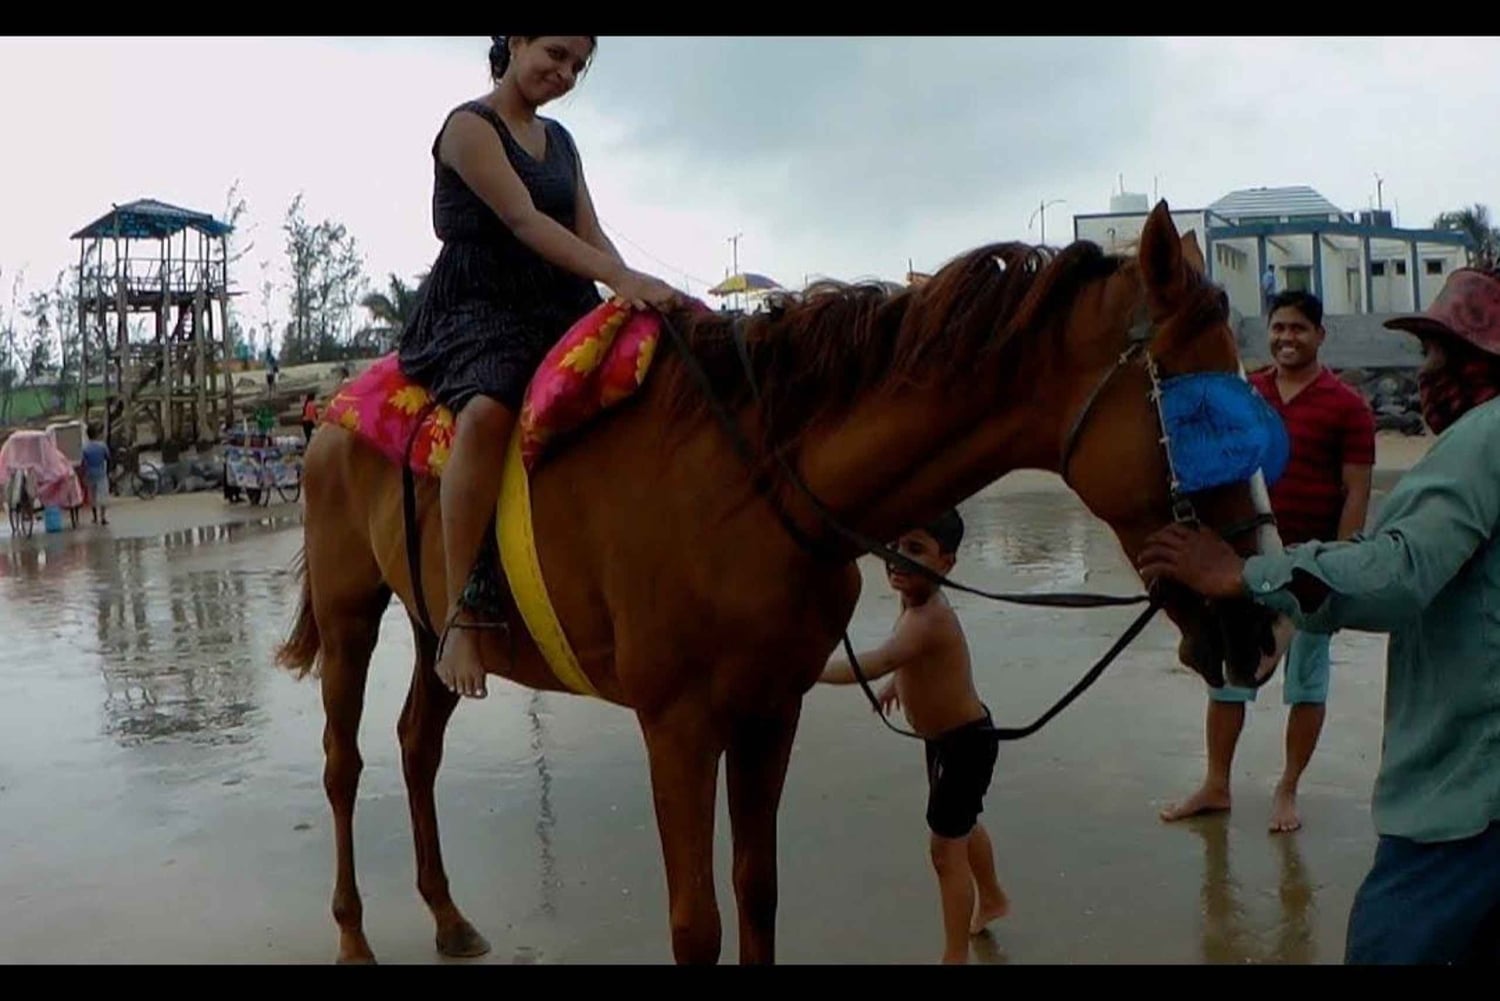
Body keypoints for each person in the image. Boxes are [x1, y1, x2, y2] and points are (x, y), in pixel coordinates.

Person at [1137, 266, 1500, 965]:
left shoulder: (1480, 434)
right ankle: (1219, 778)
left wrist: (1245, 572)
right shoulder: (1257, 393)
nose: (1425, 373)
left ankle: (1286, 785)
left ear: (1470, 359)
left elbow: (1396, 567)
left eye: (1433, 355)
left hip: (1464, 799)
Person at [397, 36, 681, 700]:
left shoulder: (562, 141)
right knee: (490, 409)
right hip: (480, 308)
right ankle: (462, 612)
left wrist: (638, 287)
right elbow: (523, 221)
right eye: (554, 53)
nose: (564, 72)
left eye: (577, 65)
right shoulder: (468, 128)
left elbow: (589, 232)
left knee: (650, 378)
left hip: (557, 299)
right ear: (516, 41)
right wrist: (615, 273)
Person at [1161, 291, 1375, 833]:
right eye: (1279, 328)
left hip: (1309, 562)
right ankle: (1217, 784)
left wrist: (1339, 561)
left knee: (1307, 682)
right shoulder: (1245, 393)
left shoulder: (1347, 406)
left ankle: (1287, 789)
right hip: (1245, 564)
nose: (1286, 338)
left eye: (1299, 329)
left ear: (1320, 335)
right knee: (1227, 678)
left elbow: (1355, 491)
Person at [817, 510, 1009, 964]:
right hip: (945, 741)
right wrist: (897, 684)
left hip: (966, 743)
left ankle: (954, 955)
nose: (897, 558)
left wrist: (811, 672)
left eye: (915, 549)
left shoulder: (930, 618)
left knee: (945, 849)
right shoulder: (912, 603)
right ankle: (995, 896)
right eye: (896, 545)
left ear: (947, 563)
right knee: (961, 824)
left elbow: (880, 658)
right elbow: (904, 660)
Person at [80, 423, 110, 526]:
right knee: (102, 495)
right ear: (97, 434)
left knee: (92, 495)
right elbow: (108, 457)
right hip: (101, 473)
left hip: (90, 473)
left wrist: (83, 475)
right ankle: (103, 517)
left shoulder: (85, 448)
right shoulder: (102, 446)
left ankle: (95, 517)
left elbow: (83, 463)